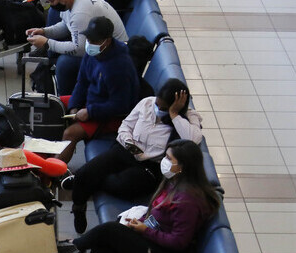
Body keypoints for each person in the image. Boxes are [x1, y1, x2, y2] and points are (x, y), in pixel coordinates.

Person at [72, 139, 219, 253]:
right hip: (154, 242)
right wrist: (139, 224)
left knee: (108, 230)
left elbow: (178, 242)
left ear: (182, 166)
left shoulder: (187, 202)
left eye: (169, 159)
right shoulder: (173, 182)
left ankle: (71, 248)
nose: (164, 161)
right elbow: (156, 214)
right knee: (102, 251)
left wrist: (145, 230)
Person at [65, 79, 204, 221]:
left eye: (163, 109)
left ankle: (88, 182)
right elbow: (126, 125)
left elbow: (192, 139)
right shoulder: (147, 103)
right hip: (125, 150)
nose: (158, 109)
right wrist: (128, 141)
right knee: (85, 173)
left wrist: (174, 115)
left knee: (121, 184)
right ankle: (78, 207)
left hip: (149, 166)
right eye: (157, 104)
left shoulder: (189, 118)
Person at [57, 17, 138, 174]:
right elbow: (82, 82)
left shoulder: (120, 67)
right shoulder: (92, 53)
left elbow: (121, 104)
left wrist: (90, 112)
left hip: (112, 116)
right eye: (88, 38)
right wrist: (74, 105)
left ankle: (53, 173)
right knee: (53, 105)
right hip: (92, 101)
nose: (89, 42)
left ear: (107, 41)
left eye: (93, 40)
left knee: (70, 134)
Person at [26, 0, 127, 97]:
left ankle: (66, 104)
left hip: (113, 54)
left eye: (53, 0)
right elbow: (66, 25)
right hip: (100, 48)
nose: (53, 4)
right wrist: (44, 31)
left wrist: (47, 44)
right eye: (49, 2)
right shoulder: (71, 5)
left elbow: (80, 49)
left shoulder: (81, 12)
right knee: (58, 57)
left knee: (65, 63)